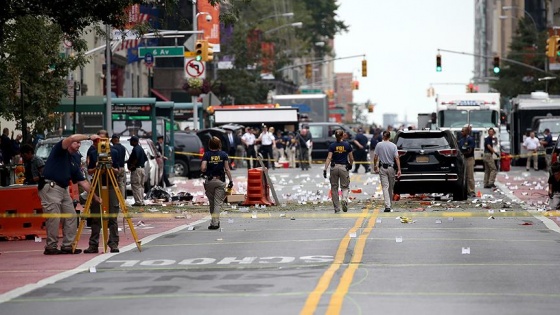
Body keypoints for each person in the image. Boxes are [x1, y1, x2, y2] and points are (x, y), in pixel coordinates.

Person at [40, 133, 101, 255]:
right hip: (51, 187)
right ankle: (51, 246)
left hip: (63, 189)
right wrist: (89, 137)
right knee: (54, 218)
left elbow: (83, 181)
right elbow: (72, 138)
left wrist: (95, 197)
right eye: (77, 142)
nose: (79, 144)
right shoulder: (59, 150)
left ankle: (68, 245)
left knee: (71, 216)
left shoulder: (73, 160)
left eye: (80, 143)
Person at [84, 137, 121, 253]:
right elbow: (89, 171)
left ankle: (113, 243)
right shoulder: (92, 152)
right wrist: (97, 167)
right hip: (97, 184)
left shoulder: (114, 152)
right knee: (96, 215)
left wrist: (109, 166)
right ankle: (93, 244)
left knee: (112, 215)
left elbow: (118, 170)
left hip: (111, 184)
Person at [201, 136, 233, 229]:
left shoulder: (206, 155)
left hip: (209, 181)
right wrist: (231, 180)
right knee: (217, 203)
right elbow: (227, 169)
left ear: (209, 145)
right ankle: (215, 223)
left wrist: (208, 169)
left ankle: (213, 221)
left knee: (212, 203)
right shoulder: (223, 154)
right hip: (220, 181)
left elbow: (203, 168)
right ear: (219, 145)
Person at [323, 129, 354, 213]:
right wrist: (350, 164)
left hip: (334, 167)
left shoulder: (332, 146)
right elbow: (351, 157)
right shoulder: (347, 145)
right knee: (345, 187)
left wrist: (325, 169)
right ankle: (344, 199)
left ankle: (337, 208)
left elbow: (329, 157)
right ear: (342, 135)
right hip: (344, 167)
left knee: (334, 188)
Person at [373, 130, 401, 212]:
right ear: (389, 137)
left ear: (383, 136)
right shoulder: (393, 146)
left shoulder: (379, 145)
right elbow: (396, 158)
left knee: (385, 187)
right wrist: (399, 169)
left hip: (383, 168)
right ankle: (389, 204)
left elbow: (375, 157)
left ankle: (387, 205)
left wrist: (375, 166)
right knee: (390, 187)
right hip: (391, 168)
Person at [127, 136, 148, 206]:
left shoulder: (136, 149)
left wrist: (132, 165)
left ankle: (138, 202)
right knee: (141, 185)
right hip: (142, 168)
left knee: (135, 185)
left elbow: (136, 157)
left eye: (131, 141)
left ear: (134, 141)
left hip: (136, 169)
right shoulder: (141, 148)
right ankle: (141, 200)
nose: (130, 142)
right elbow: (145, 158)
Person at [458, 126, 476, 197]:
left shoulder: (470, 139)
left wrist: (463, 152)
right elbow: (459, 149)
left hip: (469, 158)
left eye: (463, 131)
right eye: (461, 131)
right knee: (464, 175)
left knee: (470, 175)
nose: (461, 132)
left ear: (467, 132)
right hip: (463, 158)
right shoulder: (461, 140)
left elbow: (470, 150)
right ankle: (466, 191)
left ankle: (472, 191)